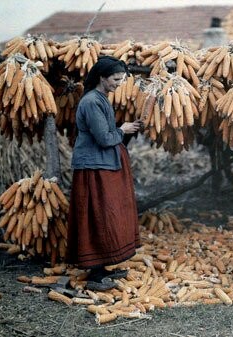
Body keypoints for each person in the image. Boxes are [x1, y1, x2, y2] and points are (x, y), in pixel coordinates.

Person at [66, 56, 143, 291]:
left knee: (109, 214)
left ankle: (103, 266)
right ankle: (94, 275)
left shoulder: (101, 98)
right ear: (102, 77)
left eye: (122, 79)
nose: (120, 83)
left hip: (105, 165)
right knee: (98, 215)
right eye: (116, 79)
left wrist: (124, 129)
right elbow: (104, 138)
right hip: (94, 168)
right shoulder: (91, 102)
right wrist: (123, 129)